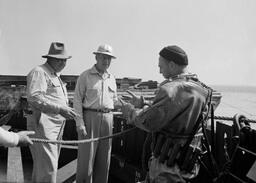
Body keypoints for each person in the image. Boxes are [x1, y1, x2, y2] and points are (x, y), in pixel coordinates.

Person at [121, 45, 219, 183]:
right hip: (188, 167)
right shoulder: (203, 90)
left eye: (161, 66)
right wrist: (145, 103)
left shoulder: (169, 89)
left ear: (172, 65)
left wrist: (130, 112)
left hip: (166, 169)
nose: (159, 70)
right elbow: (177, 112)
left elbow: (148, 122)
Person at [26, 42, 78, 183]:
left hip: (54, 126)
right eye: (59, 59)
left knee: (45, 168)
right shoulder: (40, 72)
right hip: (44, 124)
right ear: (49, 58)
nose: (62, 63)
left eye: (65, 60)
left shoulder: (54, 74)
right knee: (48, 169)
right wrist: (60, 109)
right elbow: (34, 98)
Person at [73, 44, 119, 183]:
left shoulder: (112, 78)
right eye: (104, 57)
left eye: (109, 58)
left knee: (104, 160)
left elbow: (114, 101)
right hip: (89, 118)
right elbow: (76, 101)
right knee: (85, 162)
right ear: (96, 57)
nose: (106, 61)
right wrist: (80, 123)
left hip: (108, 119)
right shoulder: (85, 76)